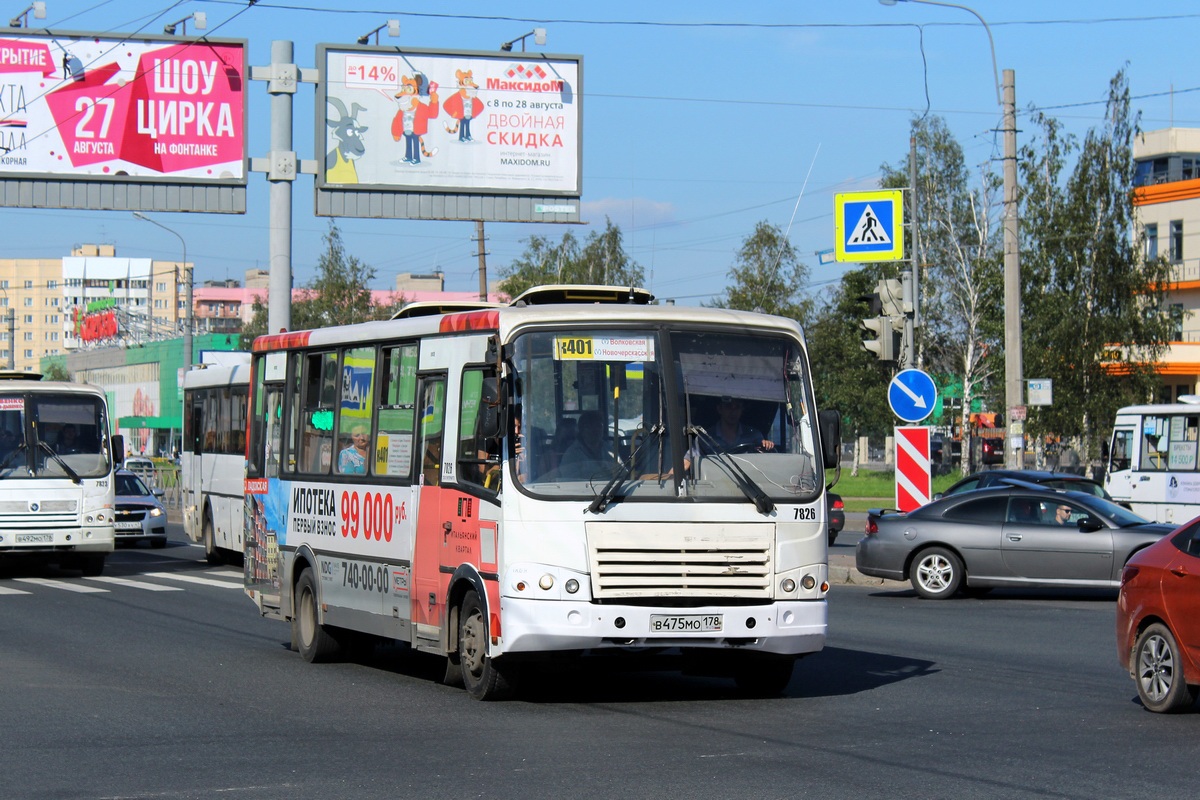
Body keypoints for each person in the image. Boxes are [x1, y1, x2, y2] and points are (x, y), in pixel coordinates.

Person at [558, 411, 617, 479]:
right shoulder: (572, 453)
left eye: (599, 426)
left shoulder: (609, 449)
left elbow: (621, 472)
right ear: (582, 429)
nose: (596, 430)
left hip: (613, 488)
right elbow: (569, 481)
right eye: (590, 427)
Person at [707, 396, 774, 452]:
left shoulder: (754, 436)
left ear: (742, 409)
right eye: (728, 407)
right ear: (719, 409)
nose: (733, 412)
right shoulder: (704, 438)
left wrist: (766, 445)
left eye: (737, 407)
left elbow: (761, 460)